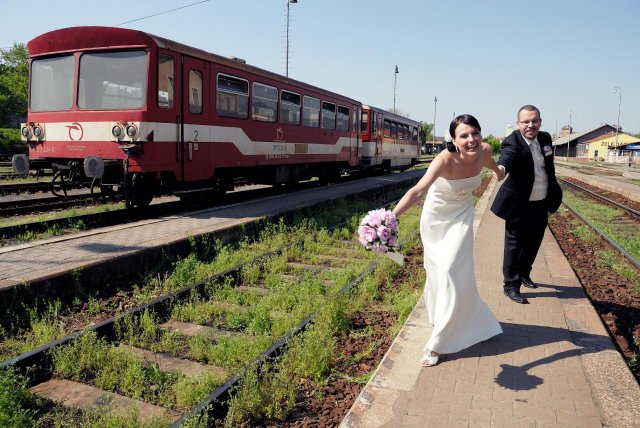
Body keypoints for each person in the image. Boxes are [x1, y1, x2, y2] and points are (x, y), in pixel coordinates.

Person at [392, 114, 504, 367]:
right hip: (436, 218)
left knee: (451, 269)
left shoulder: (485, 150)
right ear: (453, 140)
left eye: (475, 133)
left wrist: (498, 172)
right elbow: (418, 191)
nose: (471, 139)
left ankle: (437, 342)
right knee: (439, 271)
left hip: (461, 215)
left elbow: (491, 163)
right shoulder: (444, 159)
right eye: (464, 135)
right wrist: (390, 218)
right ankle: (443, 315)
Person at [490, 105, 562, 304]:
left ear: (540, 121)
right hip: (519, 204)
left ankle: (524, 274)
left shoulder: (545, 138)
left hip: (541, 202)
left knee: (533, 243)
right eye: (526, 122)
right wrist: (500, 169)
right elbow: (507, 158)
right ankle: (510, 286)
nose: (530, 125)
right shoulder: (512, 141)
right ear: (518, 123)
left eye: (534, 121)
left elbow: (548, 166)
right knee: (514, 246)